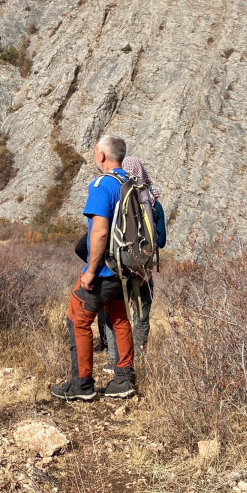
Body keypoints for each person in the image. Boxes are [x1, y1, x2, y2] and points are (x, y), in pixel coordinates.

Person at [51, 135, 137, 400]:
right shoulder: (132, 184)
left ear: (102, 155)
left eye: (95, 151)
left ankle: (82, 385)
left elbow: (99, 233)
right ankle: (124, 380)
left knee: (77, 320)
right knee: (120, 320)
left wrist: (90, 271)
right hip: (126, 271)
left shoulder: (103, 185)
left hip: (104, 271)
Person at [101, 155, 161, 373]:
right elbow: (160, 240)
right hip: (143, 269)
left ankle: (112, 359)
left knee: (114, 313)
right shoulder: (152, 201)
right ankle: (138, 357)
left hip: (117, 266)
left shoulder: (114, 197)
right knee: (141, 314)